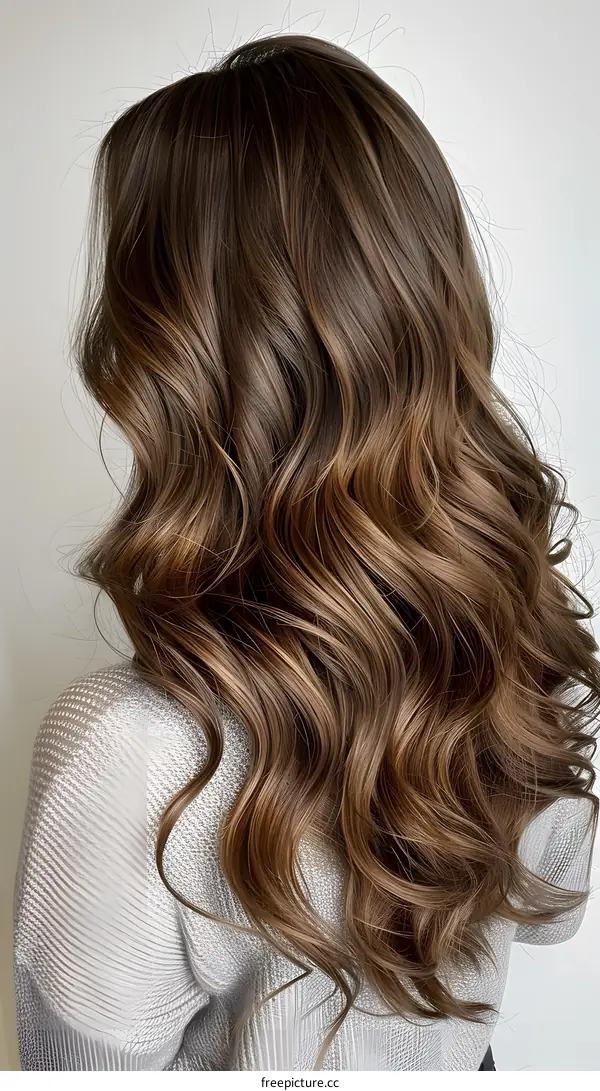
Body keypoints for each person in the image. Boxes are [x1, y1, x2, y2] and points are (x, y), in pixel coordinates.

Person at [12, 32, 599, 1072]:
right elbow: (549, 908)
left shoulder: (128, 750)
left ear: (171, 354)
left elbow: (76, 1068)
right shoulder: (530, 650)